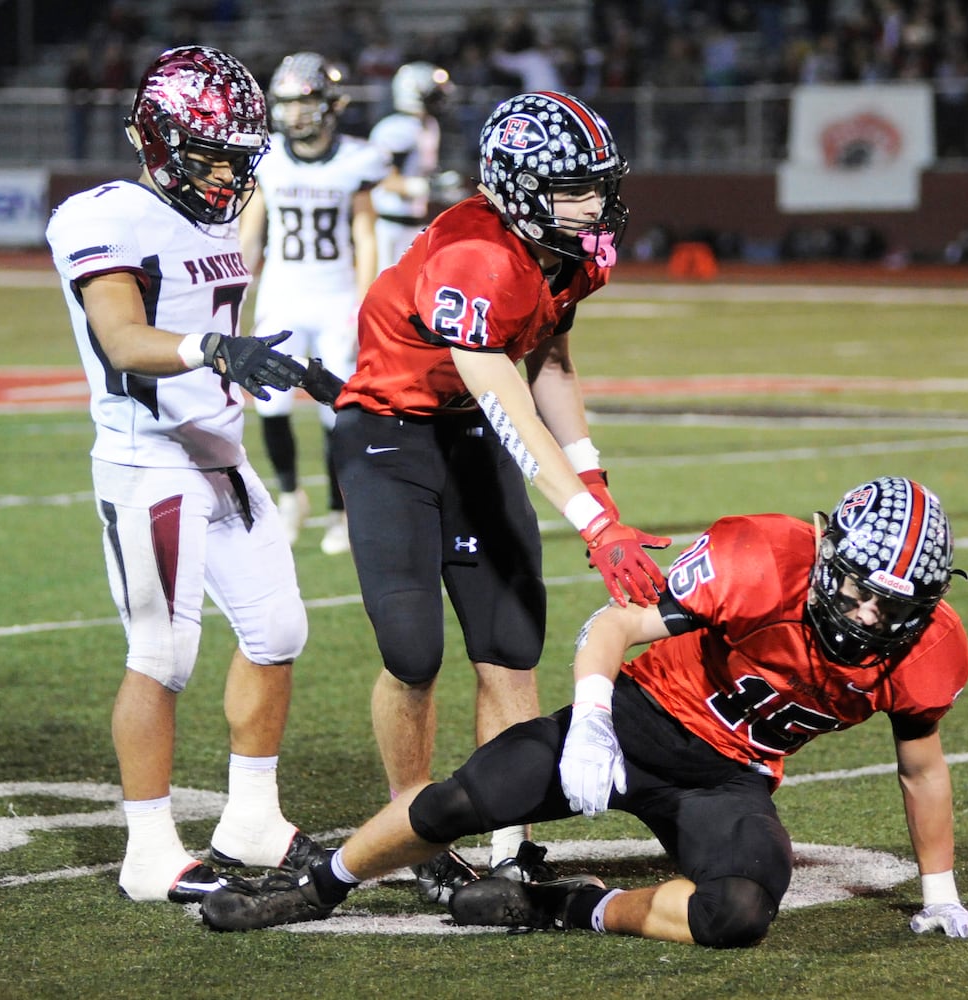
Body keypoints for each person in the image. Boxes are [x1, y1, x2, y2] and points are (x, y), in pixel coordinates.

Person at [200, 476, 968, 947]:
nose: (870, 619)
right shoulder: (759, 559)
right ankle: (317, 889)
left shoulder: (927, 650)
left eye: (897, 607)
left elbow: (920, 766)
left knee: (740, 912)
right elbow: (613, 625)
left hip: (727, 781)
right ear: (827, 547)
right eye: (858, 588)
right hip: (636, 719)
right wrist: (591, 722)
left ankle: (566, 905)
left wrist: (941, 892)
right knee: (462, 799)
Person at [299, 90, 670, 903]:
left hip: (470, 430)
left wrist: (594, 478)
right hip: (392, 434)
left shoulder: (569, 253)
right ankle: (412, 828)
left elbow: (550, 365)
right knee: (412, 654)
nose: (596, 204)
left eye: (599, 184)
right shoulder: (476, 258)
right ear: (515, 187)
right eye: (575, 188)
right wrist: (592, 521)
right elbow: (507, 401)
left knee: (510, 645)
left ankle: (512, 841)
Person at [44, 45, 328, 905]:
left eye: (240, 157)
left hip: (220, 456)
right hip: (147, 463)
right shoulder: (102, 217)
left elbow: (218, 324)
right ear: (158, 140)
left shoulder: (207, 217)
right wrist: (210, 348)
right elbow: (124, 337)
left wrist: (290, 370)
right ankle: (149, 850)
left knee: (278, 633)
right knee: (162, 655)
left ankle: (250, 816)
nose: (228, 173)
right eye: (213, 155)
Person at [239, 52, 390, 555]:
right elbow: (251, 231)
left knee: (337, 410)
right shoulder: (268, 157)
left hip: (335, 295)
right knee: (270, 402)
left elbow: (365, 235)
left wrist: (365, 301)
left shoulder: (356, 158)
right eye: (284, 103)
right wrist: (236, 286)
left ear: (329, 104)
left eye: (302, 102)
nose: (293, 114)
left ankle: (338, 511)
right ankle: (290, 495)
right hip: (282, 292)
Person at [367, 61, 452, 271]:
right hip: (390, 225)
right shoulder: (395, 128)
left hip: (416, 222)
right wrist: (428, 187)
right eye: (433, 93)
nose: (438, 99)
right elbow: (385, 180)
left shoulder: (429, 125)